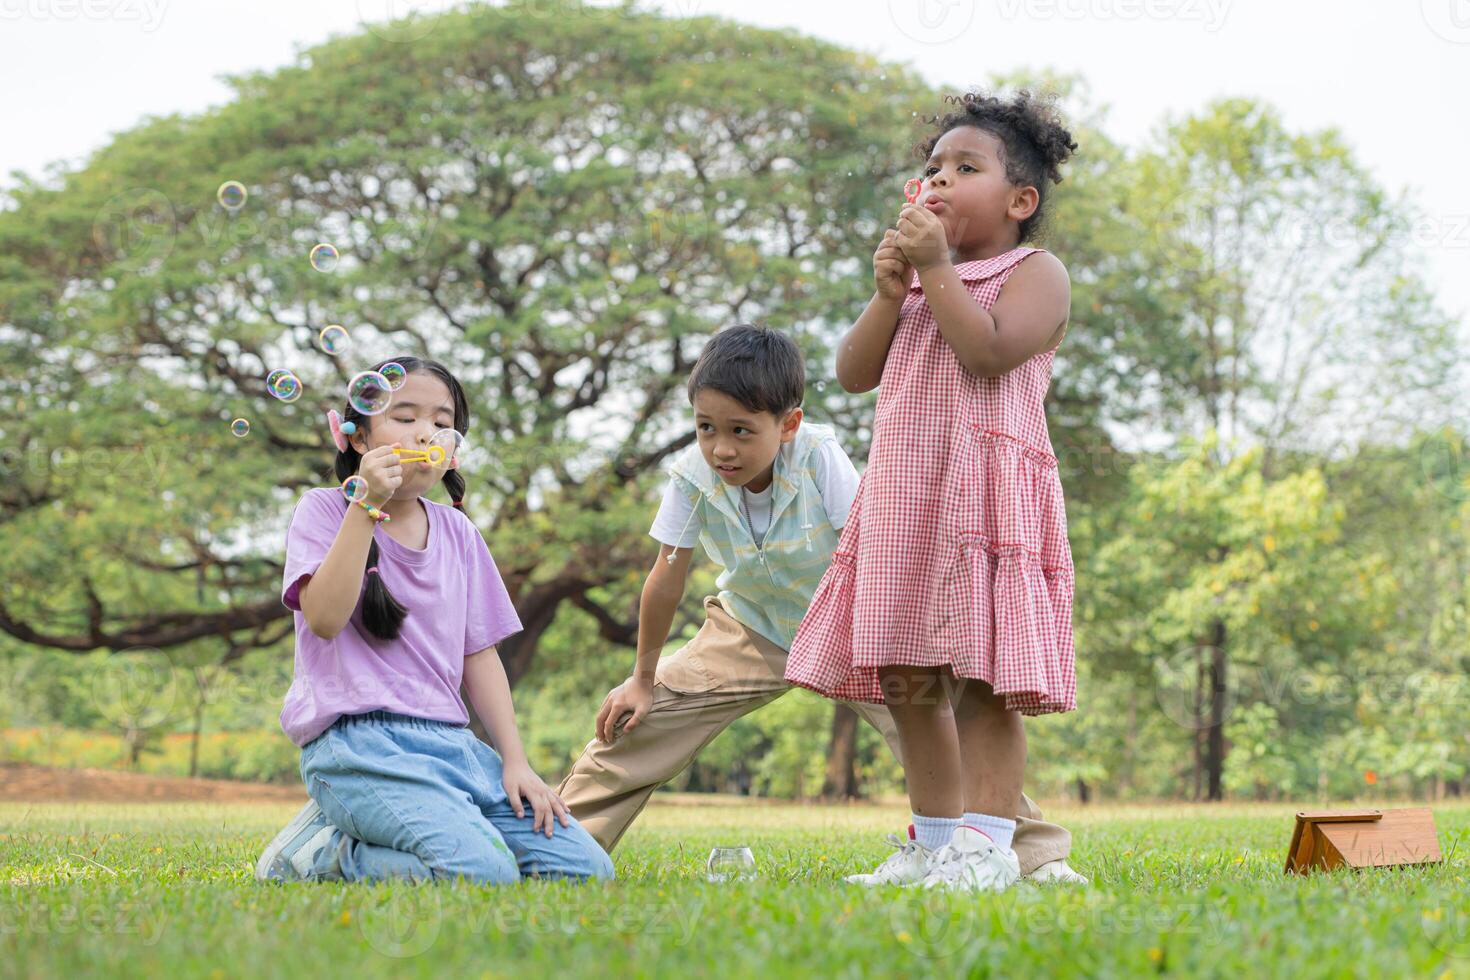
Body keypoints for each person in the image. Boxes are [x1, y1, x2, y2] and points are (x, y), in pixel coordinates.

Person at [558, 325, 1082, 884]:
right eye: (706, 428)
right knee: (643, 717)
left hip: (850, 622)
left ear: (789, 424)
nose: (721, 448)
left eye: (741, 430)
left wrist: (906, 634)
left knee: (936, 731)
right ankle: (556, 845)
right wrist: (641, 676)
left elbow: (874, 543)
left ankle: (1032, 855)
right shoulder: (691, 477)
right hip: (752, 626)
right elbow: (665, 578)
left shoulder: (817, 457)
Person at [785, 90, 1082, 892]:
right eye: (932, 169)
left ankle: (990, 846)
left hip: (988, 497)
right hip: (906, 498)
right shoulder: (917, 285)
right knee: (906, 674)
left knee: (985, 680)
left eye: (965, 168)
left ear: (1020, 201)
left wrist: (936, 271)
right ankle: (936, 839)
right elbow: (852, 375)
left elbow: (988, 355)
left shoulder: (1035, 273)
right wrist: (890, 292)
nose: (940, 181)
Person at [254, 356, 612, 885]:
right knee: (485, 875)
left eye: (442, 422)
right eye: (404, 417)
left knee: (586, 870)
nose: (426, 432)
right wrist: (365, 507)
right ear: (356, 438)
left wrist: (515, 761)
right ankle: (321, 854)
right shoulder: (324, 511)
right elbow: (325, 620)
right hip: (359, 747)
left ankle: (412, 829)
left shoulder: (459, 532)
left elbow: (479, 654)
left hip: (452, 747)